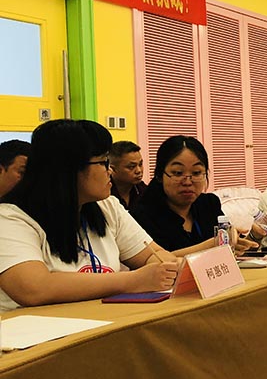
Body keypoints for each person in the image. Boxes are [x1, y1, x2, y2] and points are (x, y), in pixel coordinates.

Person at [0, 120, 179, 311]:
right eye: (103, 162)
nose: (110, 170)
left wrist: (160, 269)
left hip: (108, 320)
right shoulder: (10, 218)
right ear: (69, 169)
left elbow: (154, 254)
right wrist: (134, 280)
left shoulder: (106, 207)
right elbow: (33, 288)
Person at [132, 135, 267, 256]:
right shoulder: (142, 214)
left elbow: (232, 252)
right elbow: (155, 261)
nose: (188, 181)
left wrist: (255, 235)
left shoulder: (208, 204)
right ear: (160, 175)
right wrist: (213, 245)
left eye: (196, 173)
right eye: (178, 173)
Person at [109, 140, 147, 211]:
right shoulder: (103, 194)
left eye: (140, 164)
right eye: (131, 167)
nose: (139, 170)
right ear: (113, 169)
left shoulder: (143, 190)